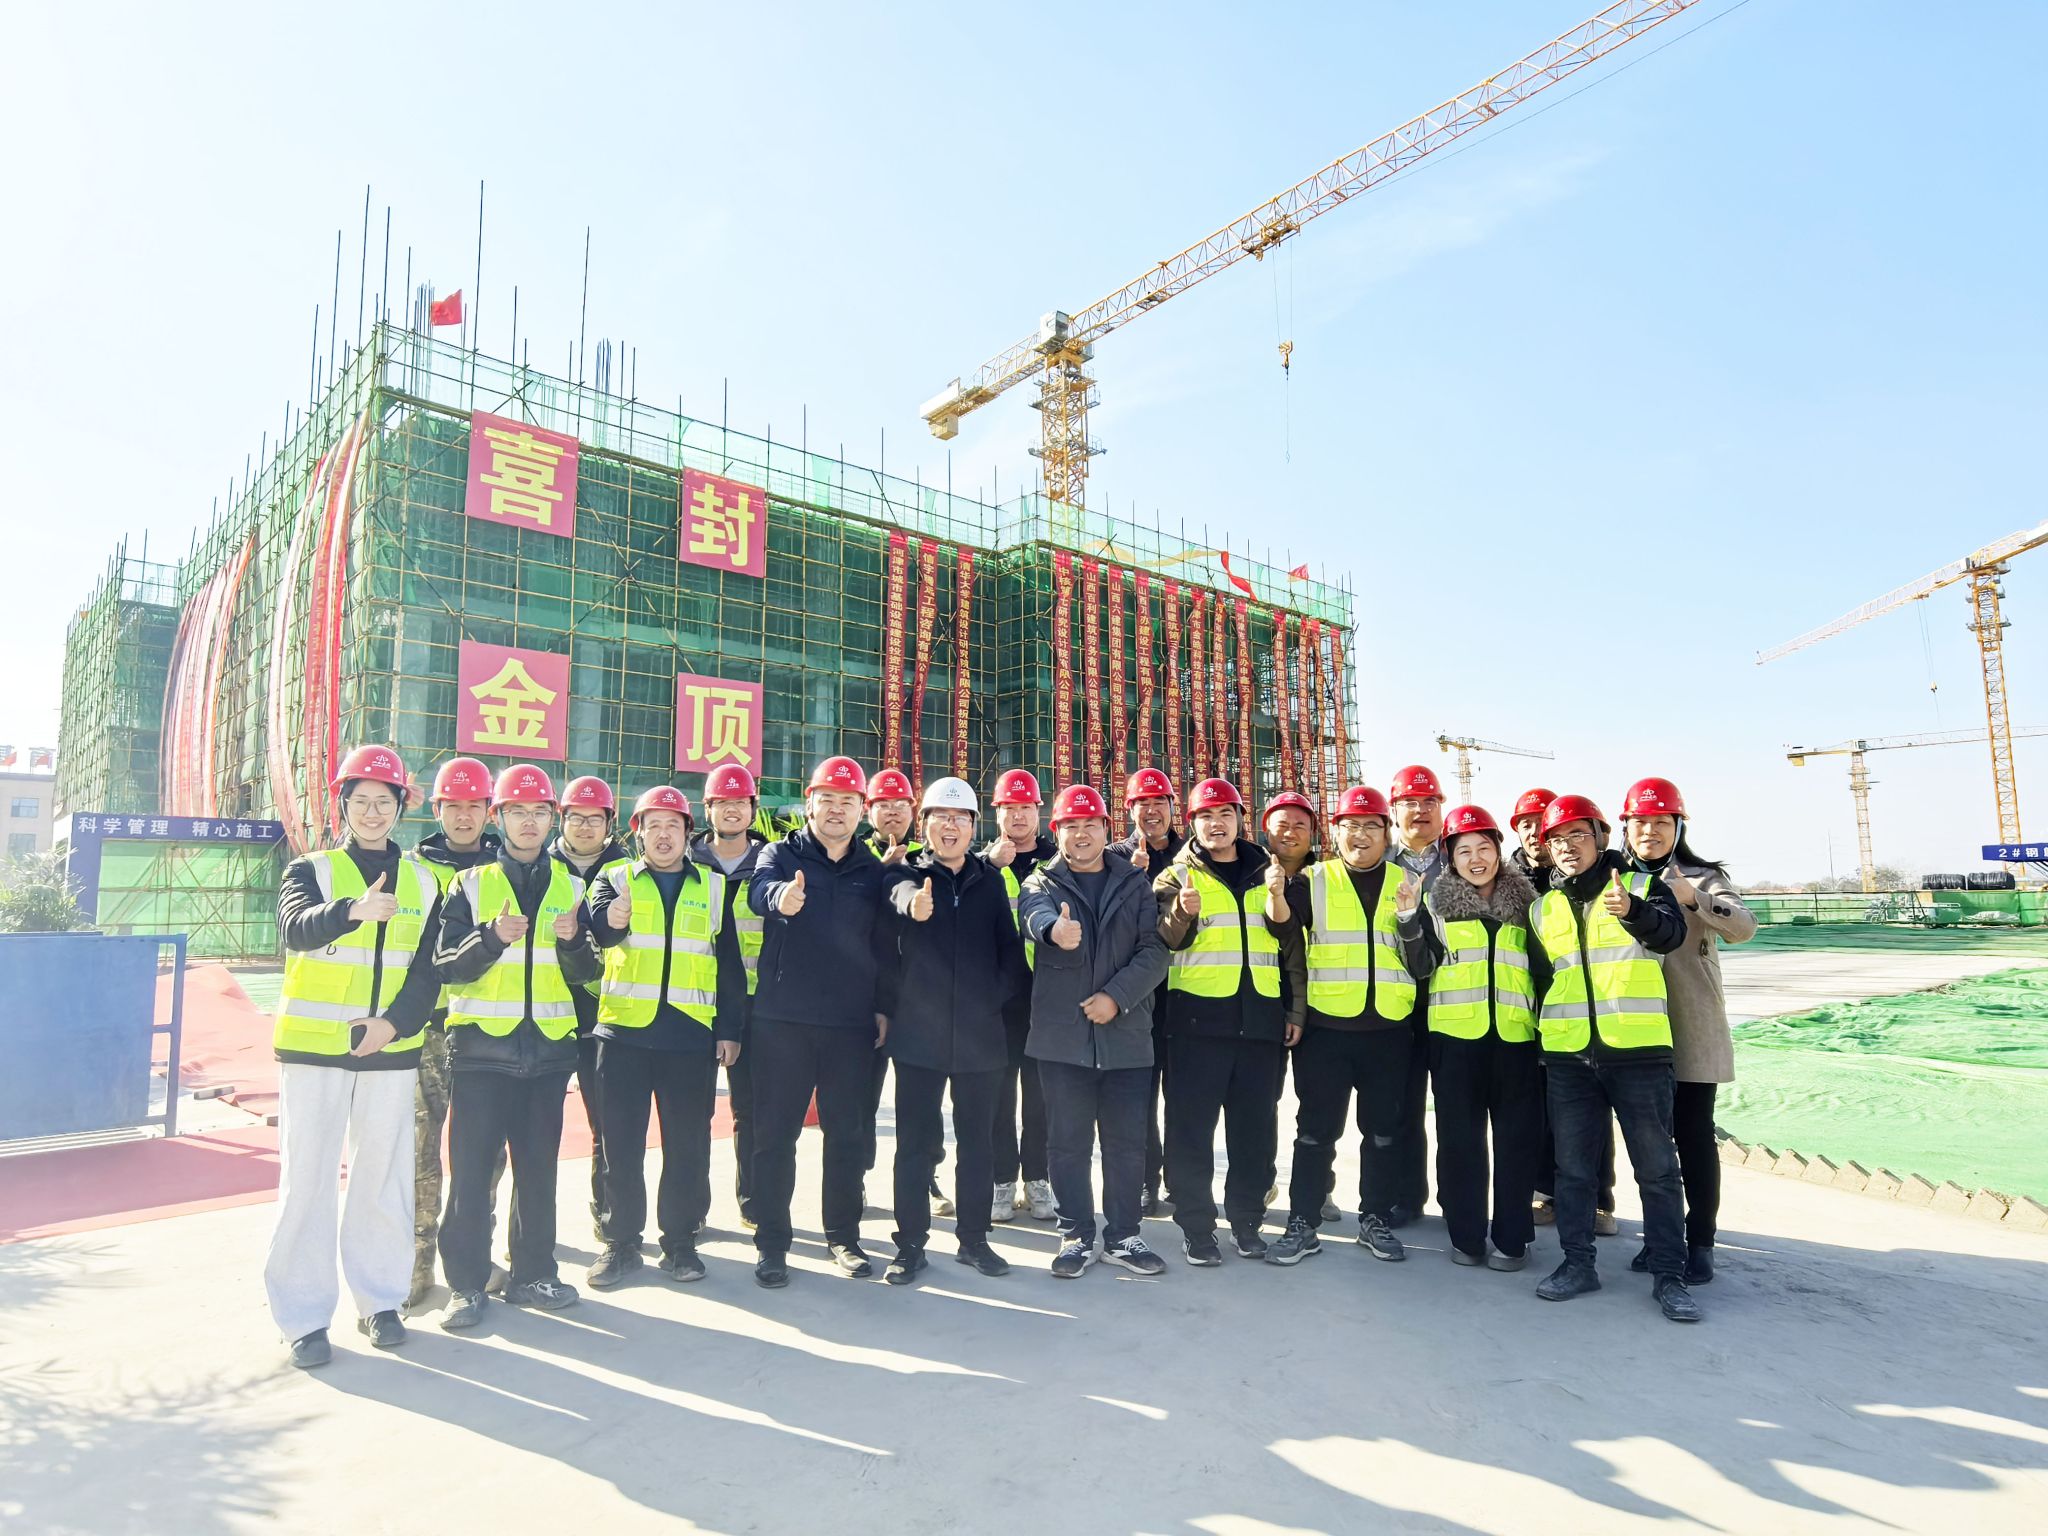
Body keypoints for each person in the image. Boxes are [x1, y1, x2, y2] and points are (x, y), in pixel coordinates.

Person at [267, 745, 442, 1367]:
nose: (373, 812)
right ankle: (304, 1318)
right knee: (308, 1180)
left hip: (388, 1051)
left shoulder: (426, 881)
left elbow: (429, 971)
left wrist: (391, 1026)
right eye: (361, 801)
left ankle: (381, 1301)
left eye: (383, 801)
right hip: (315, 1050)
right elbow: (294, 929)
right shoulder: (310, 869)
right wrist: (352, 911)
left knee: (383, 1178)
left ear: (400, 808)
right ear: (343, 806)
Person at [433, 764, 603, 1330]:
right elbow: (446, 966)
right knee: (471, 1176)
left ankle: (534, 1274)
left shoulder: (572, 887)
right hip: (481, 1055)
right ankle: (466, 1285)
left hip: (549, 1055)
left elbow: (587, 973)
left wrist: (574, 941)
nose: (529, 822)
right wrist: (490, 938)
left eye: (538, 812)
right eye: (517, 812)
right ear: (498, 818)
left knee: (537, 1174)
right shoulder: (470, 884)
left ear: (551, 818)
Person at [1525, 793, 1700, 1323]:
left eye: (1578, 834)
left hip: (1638, 1053)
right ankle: (1578, 1264)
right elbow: (1542, 980)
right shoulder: (1542, 908)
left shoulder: (1643, 887)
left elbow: (1671, 937)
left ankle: (1669, 1274)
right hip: (1569, 1056)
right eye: (1556, 839)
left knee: (1657, 1169)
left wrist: (1634, 913)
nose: (1567, 846)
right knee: (1574, 1171)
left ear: (1601, 837)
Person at [585, 787, 748, 1287]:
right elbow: (597, 930)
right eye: (652, 825)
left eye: (672, 825)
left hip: (689, 1037)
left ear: (687, 833)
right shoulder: (614, 878)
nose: (662, 835)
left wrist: (729, 1030)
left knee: (687, 1146)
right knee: (620, 1146)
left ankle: (679, 1244)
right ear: (637, 833)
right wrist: (611, 920)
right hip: (623, 1035)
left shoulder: (714, 886)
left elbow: (729, 965)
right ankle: (620, 1243)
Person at [746, 755, 899, 1288]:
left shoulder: (872, 870)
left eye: (847, 801)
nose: (836, 810)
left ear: (862, 810)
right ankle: (772, 1244)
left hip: (849, 1024)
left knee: (847, 1135)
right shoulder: (779, 854)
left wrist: (882, 1006)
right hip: (782, 1019)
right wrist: (781, 898)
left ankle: (844, 1236)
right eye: (826, 800)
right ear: (808, 804)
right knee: (774, 1135)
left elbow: (883, 945)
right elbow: (758, 892)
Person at [880, 778, 1030, 1283]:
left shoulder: (989, 881)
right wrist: (912, 905)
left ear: (973, 827)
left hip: (979, 1036)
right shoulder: (906, 874)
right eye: (940, 817)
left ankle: (974, 1240)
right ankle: (910, 1245)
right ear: (924, 825)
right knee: (914, 1145)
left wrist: (992, 998)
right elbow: (897, 897)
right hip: (919, 1037)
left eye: (960, 818)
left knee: (977, 1144)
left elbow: (1010, 951)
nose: (950, 826)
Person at [1019, 784, 1171, 1278]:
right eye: (1070, 825)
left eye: (1090, 824)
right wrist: (1054, 931)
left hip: (1125, 1035)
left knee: (1127, 1144)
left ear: (1107, 829)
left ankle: (1124, 1235)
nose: (1080, 834)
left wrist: (1116, 997)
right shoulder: (1040, 883)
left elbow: (1155, 951)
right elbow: (1032, 915)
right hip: (1062, 1040)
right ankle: (1076, 1234)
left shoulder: (1134, 884)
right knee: (1067, 1143)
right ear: (1056, 831)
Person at [1152, 778, 1304, 1265]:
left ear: (1241, 819)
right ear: (1191, 823)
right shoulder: (1174, 876)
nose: (1215, 824)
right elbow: (1164, 942)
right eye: (1205, 816)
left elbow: (1290, 945)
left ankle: (1246, 1221)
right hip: (1196, 1026)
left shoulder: (1268, 871)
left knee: (1255, 1133)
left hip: (1260, 1024)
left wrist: (1294, 1011)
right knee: (1190, 1133)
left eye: (1225, 814)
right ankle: (1197, 1227)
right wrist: (1182, 912)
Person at [1267, 786, 1415, 1268]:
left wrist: (1411, 917)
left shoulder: (1408, 882)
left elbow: (1423, 958)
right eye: (1352, 825)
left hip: (1389, 1029)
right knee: (1315, 1133)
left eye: (1372, 825)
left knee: (1383, 1134)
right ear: (1335, 832)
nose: (1361, 835)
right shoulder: (1314, 879)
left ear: (1387, 833)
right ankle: (1302, 1223)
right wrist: (1276, 897)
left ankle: (1375, 1219)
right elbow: (1283, 929)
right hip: (1326, 1031)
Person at [1397, 804, 1546, 1270]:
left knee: (1516, 1142)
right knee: (1460, 1143)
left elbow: (1544, 973)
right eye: (1464, 850)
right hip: (1455, 1043)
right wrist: (1408, 920)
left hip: (1516, 1042)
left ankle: (1512, 1238)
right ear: (1450, 856)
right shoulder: (1435, 906)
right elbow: (1420, 968)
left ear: (1499, 851)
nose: (1476, 858)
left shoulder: (1529, 908)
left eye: (1484, 847)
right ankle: (1466, 1236)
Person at [1620, 776, 1755, 1286]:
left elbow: (1743, 927)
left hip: (1690, 1025)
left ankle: (1700, 1242)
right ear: (1625, 827)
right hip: (1633, 1024)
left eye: (1661, 821)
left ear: (1678, 827)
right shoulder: (1616, 876)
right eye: (1640, 822)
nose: (1649, 831)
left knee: (1694, 1137)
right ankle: (1662, 1237)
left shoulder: (1702, 876)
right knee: (1649, 1142)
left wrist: (1694, 897)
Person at [407, 755, 500, 1311]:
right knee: (420, 1152)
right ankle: (415, 1265)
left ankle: (474, 1259)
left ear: (490, 810)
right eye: (453, 806)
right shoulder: (413, 869)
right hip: (426, 1031)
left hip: (485, 1028)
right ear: (437, 810)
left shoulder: (504, 869)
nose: (464, 817)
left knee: (484, 1155)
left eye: (474, 806)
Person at [1513, 786, 1617, 1234]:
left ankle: (1600, 1200)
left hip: (1589, 1017)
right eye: (1526, 824)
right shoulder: (1507, 878)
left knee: (1592, 1114)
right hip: (1532, 1014)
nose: (1534, 832)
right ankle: (1547, 1193)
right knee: (1541, 1111)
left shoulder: (1589, 876)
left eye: (1542, 823)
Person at [551, 775, 631, 1246]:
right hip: (545, 1014)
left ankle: (608, 1213)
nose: (584, 826)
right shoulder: (540, 864)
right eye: (576, 817)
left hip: (607, 1017)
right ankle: (531, 1230)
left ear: (609, 823)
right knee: (535, 1129)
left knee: (608, 1125)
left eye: (594, 818)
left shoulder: (629, 871)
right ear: (561, 819)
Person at [861, 766, 944, 1214]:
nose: (892, 812)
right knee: (860, 1098)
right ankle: (856, 1177)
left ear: (913, 811)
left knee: (923, 1102)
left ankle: (926, 1175)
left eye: (900, 804)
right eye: (883, 804)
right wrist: (880, 872)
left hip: (920, 1002)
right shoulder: (854, 857)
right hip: (867, 996)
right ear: (868, 810)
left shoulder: (931, 857)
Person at [692, 763, 771, 1231]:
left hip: (756, 1004)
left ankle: (754, 1203)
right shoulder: (685, 862)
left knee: (751, 1110)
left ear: (752, 810)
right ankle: (691, 1211)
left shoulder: (771, 864)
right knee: (692, 1113)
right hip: (695, 1001)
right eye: (723, 803)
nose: (732, 810)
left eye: (740, 802)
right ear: (709, 809)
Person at [982, 767, 1057, 1223]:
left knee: (1041, 1095)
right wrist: (990, 865)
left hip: (1045, 997)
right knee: (997, 1095)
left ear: (1038, 811)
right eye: (1009, 808)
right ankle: (1001, 1180)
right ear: (997, 814)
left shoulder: (1058, 860)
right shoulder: (981, 863)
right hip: (995, 1002)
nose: (1017, 816)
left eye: (1025, 807)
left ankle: (1039, 1179)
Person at [1262, 790, 1341, 1223]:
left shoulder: (1327, 878)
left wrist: (1300, 1011)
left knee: (1317, 1106)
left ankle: (1319, 1187)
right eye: (1282, 824)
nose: (1290, 833)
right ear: (1265, 828)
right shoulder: (1251, 874)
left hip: (1319, 1005)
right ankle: (1263, 1179)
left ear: (1313, 833)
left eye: (1300, 825)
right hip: (1264, 1003)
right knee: (1262, 1101)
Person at [1110, 766, 1183, 1214]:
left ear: (1174, 808)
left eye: (1160, 802)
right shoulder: (1114, 856)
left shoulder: (1190, 854)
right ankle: (1144, 1180)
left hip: (1184, 993)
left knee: (1184, 1097)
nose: (1152, 811)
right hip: (1137, 996)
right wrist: (1127, 876)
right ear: (1129, 809)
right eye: (1143, 803)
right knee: (1139, 1096)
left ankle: (1181, 1180)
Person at [1385, 763, 1446, 1227]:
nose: (1420, 811)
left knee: (1457, 1111)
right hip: (1399, 1006)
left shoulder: (1465, 857)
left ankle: (1459, 1202)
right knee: (1402, 1108)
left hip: (1455, 1004)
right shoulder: (1378, 864)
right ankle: (1406, 1197)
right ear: (1394, 811)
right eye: (1410, 803)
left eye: (1429, 802)